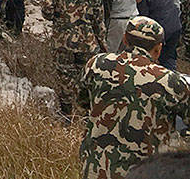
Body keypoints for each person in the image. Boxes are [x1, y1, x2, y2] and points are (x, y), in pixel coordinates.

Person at [78, 16, 190, 179]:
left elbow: (83, 102)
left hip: (96, 168)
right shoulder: (171, 82)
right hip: (147, 172)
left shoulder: (96, 64)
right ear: (158, 49)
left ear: (125, 39)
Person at [41, 0, 105, 115]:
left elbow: (46, 13)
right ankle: (86, 113)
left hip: (63, 42)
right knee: (87, 77)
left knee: (65, 77)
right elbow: (99, 20)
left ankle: (67, 113)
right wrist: (102, 43)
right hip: (87, 42)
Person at [132, 0, 182, 71]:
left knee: (159, 65)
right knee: (170, 57)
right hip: (175, 24)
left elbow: (144, 17)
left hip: (161, 31)